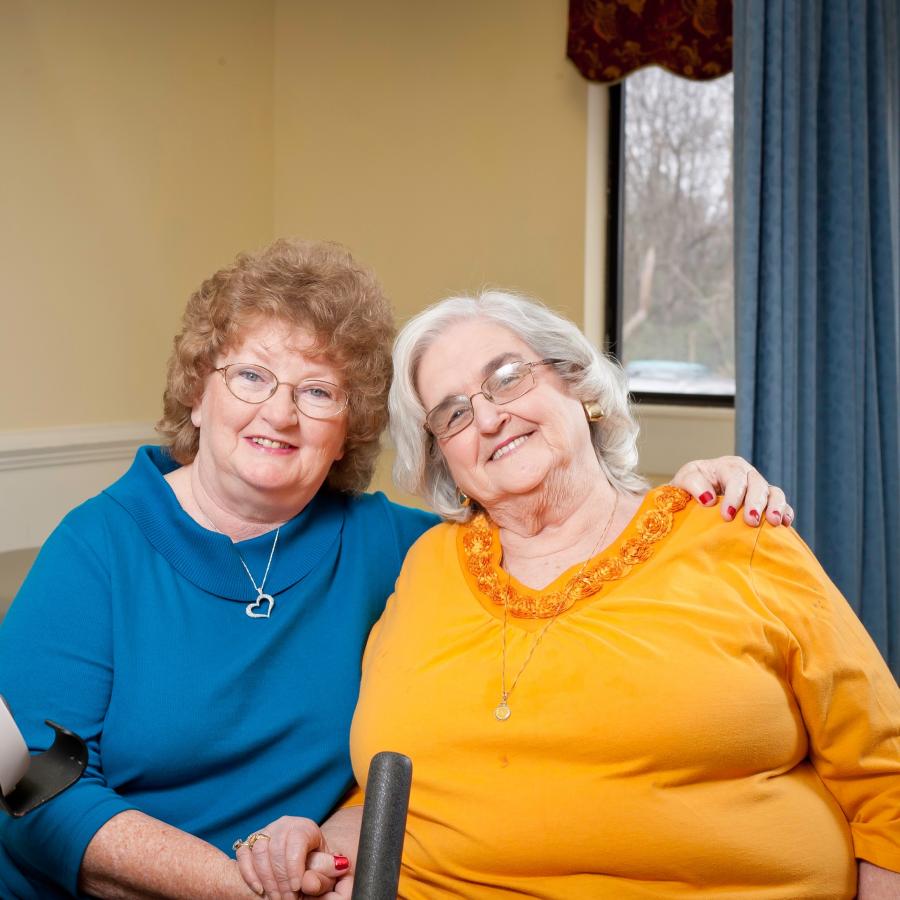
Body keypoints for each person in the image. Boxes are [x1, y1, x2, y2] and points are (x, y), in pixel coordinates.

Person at [0, 243, 788, 899]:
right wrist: (238, 887)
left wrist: (684, 496)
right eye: (250, 376)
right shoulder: (98, 547)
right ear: (197, 393)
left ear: (350, 431)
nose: (279, 414)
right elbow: (31, 788)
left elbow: (557, 523)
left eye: (318, 392)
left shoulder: (405, 551)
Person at [242, 290, 900, 899]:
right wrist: (321, 842)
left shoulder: (734, 532)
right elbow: (393, 794)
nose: (491, 417)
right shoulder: (425, 565)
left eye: (508, 376)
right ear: (444, 458)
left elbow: (885, 781)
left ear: (578, 383)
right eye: (454, 413)